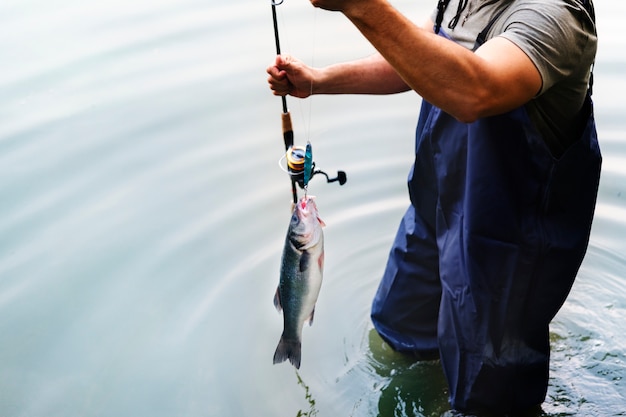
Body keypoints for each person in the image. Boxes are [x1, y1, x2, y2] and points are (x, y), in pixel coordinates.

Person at [267, 0, 601, 413]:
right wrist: (319, 80)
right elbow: (416, 57)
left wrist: (358, 5)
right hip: (436, 213)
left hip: (505, 248)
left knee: (488, 400)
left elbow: (473, 89)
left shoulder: (555, 16)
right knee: (399, 335)